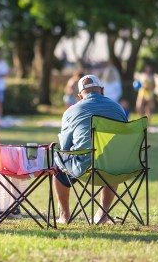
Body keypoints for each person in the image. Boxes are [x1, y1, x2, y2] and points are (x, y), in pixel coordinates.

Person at [55, 74, 128, 224]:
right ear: (102, 90)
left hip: (85, 168)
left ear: (80, 96)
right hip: (117, 168)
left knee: (58, 162)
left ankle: (65, 215)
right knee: (111, 157)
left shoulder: (71, 111)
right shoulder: (118, 109)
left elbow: (65, 147)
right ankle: (102, 214)